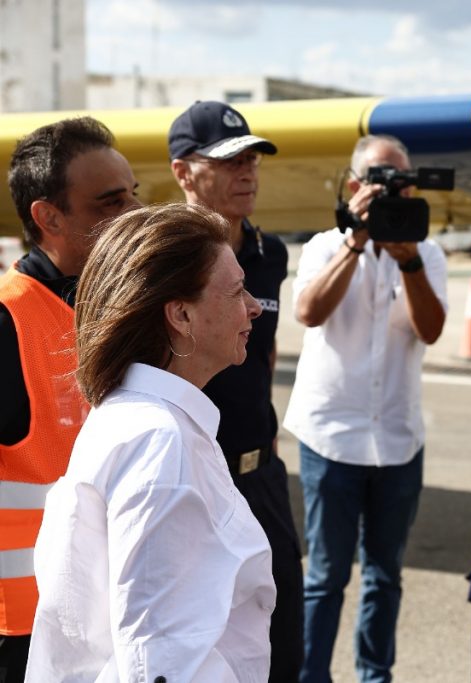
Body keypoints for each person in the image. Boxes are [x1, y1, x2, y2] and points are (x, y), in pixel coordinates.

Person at [24, 203, 274, 681]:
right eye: (236, 291)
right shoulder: (160, 443)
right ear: (181, 314)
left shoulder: (136, 421)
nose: (254, 306)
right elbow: (154, 657)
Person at [283, 134, 447, 683]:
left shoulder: (427, 253)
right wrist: (355, 243)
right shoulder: (323, 246)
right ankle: (312, 676)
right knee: (325, 575)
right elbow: (309, 312)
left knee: (384, 575)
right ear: (355, 186)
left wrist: (410, 264)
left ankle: (375, 676)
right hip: (331, 436)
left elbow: (431, 330)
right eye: (381, 180)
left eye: (402, 182)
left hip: (398, 439)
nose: (394, 191)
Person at [0, 116, 139, 682]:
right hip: (26, 632)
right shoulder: (8, 320)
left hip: (113, 615)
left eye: (133, 195)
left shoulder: (124, 308)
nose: (133, 213)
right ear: (49, 217)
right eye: (111, 203)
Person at [169, 100, 303, 681]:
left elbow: (264, 354)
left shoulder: (270, 253)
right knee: (198, 637)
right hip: (193, 476)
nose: (246, 172)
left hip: (260, 474)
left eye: (251, 160)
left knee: (283, 632)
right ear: (182, 172)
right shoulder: (159, 257)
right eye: (228, 162)